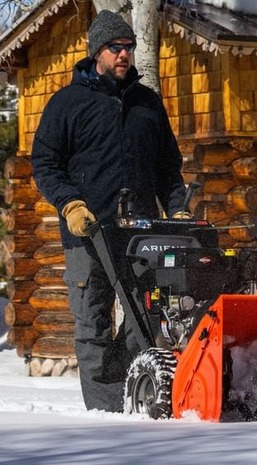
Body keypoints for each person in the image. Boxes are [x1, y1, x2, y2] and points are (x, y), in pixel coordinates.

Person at [31, 10, 190, 412]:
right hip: (87, 231)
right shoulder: (67, 104)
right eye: (115, 47)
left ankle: (123, 390)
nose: (124, 54)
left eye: (130, 47)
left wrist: (178, 211)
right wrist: (70, 203)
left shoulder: (147, 103)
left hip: (142, 233)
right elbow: (46, 163)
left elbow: (168, 167)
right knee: (92, 324)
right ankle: (104, 413)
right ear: (96, 51)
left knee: (149, 316)